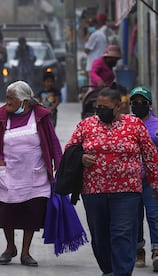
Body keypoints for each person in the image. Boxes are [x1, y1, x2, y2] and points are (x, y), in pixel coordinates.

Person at [65, 85, 158, 275]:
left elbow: (150, 156)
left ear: (118, 108)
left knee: (122, 234)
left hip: (127, 192)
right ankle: (108, 270)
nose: (100, 111)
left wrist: (155, 183)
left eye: (105, 107)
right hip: (94, 192)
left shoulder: (134, 125)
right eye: (98, 107)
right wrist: (81, 157)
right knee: (100, 237)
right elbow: (70, 150)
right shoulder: (86, 125)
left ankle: (122, 273)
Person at [0, 81, 62, 266]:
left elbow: (53, 143)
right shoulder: (2, 117)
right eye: (7, 97)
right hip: (9, 175)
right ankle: (10, 246)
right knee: (6, 213)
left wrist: (60, 167)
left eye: (11, 98)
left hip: (35, 175)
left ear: (24, 101)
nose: (7, 101)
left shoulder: (41, 116)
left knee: (32, 214)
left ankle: (25, 253)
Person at [129, 86, 158, 272]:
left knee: (154, 216)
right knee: (134, 217)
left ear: (149, 104)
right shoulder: (126, 124)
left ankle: (156, 250)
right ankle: (139, 250)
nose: (138, 106)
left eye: (142, 103)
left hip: (151, 180)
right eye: (135, 103)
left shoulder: (156, 126)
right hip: (131, 180)